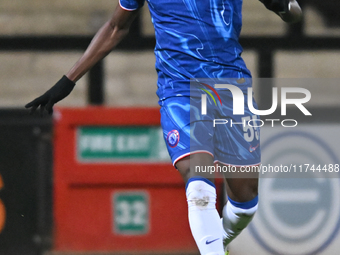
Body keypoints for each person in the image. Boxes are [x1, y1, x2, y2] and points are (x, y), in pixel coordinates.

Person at [25, 0, 302, 254]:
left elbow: (293, 14)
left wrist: (282, 7)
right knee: (198, 181)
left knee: (246, 200)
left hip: (231, 87)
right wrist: (68, 80)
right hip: (180, 89)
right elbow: (115, 26)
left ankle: (218, 242)